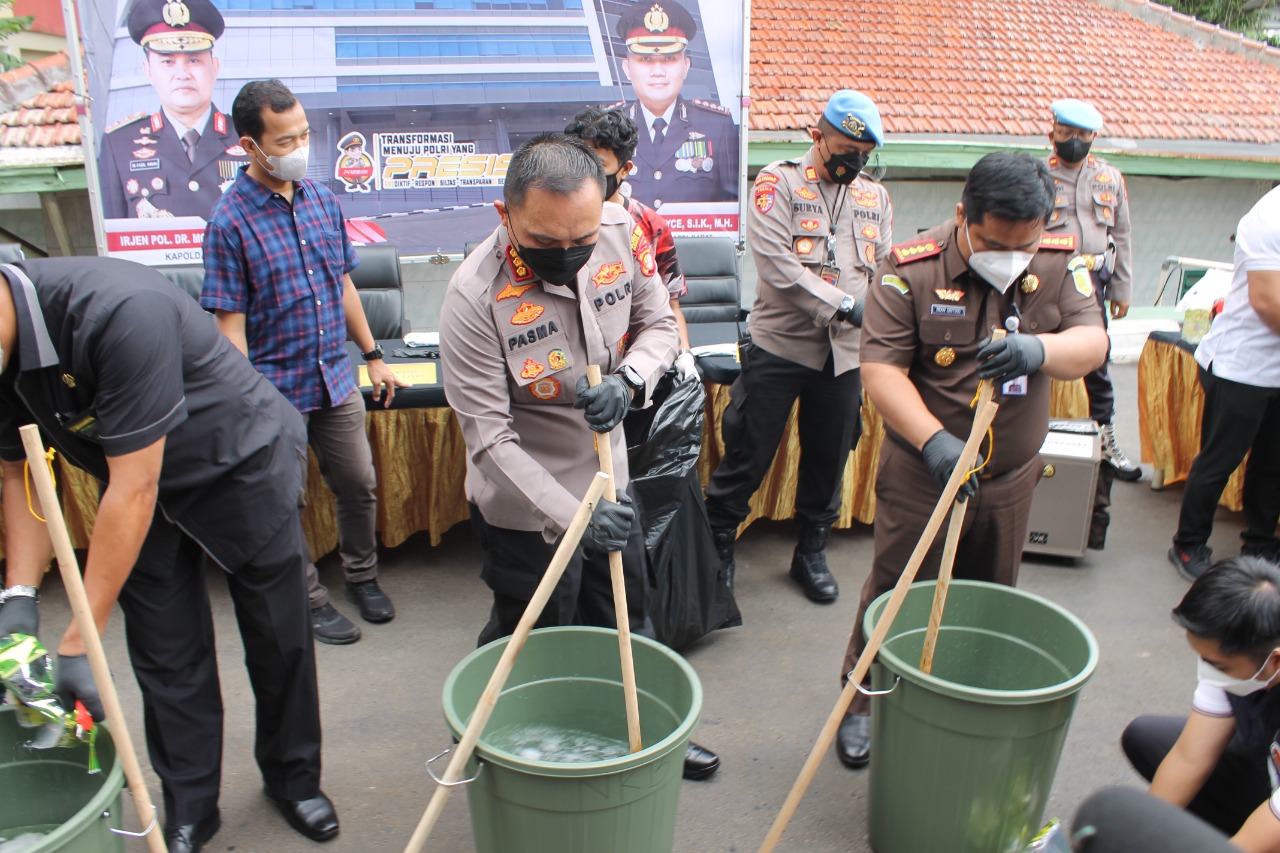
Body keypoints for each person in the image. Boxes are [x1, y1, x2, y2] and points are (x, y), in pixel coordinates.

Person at [0, 257, 338, 853]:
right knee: (165, 651)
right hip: (136, 490)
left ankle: (294, 780)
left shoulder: (118, 310)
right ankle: (191, 805)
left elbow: (136, 487)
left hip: (239, 463)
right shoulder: (5, 358)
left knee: (278, 637)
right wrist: (20, 597)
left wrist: (80, 637)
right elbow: (17, 470)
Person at [439, 132, 719, 780]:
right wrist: (574, 516)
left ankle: (646, 733)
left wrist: (630, 382)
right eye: (546, 246)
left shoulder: (621, 229)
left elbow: (657, 326)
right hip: (527, 501)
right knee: (534, 630)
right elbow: (490, 439)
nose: (568, 257)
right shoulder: (472, 296)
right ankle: (503, 740)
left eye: (581, 243)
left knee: (626, 614)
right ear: (505, 216)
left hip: (608, 472)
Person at [834, 151, 1109, 769]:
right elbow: (880, 370)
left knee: (991, 595)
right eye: (991, 242)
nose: (1009, 255)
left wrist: (1038, 349)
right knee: (897, 588)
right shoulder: (910, 270)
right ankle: (863, 701)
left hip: (1010, 476)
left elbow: (1092, 344)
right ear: (963, 215)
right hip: (924, 468)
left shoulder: (1061, 262)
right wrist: (933, 442)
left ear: (1043, 223)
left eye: (1024, 242)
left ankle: (965, 700)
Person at [201, 79, 404, 645]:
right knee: (281, 503)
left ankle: (362, 578)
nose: (299, 147)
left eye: (305, 134)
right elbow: (229, 326)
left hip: (333, 378)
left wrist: (373, 357)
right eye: (285, 139)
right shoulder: (229, 222)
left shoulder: (321, 200)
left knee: (358, 484)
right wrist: (246, 404)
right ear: (251, 146)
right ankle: (308, 597)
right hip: (273, 390)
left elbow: (343, 287)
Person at [703, 89, 892, 604]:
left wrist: (885, 316)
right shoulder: (777, 182)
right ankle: (717, 547)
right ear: (817, 136)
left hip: (845, 356)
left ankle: (810, 551)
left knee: (830, 456)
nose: (855, 161)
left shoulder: (875, 197)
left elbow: (886, 272)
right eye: (845, 149)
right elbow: (776, 265)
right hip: (781, 347)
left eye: (864, 154)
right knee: (749, 450)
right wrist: (845, 305)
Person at [1121, 556, 1280, 848]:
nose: (1207, 671)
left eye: (1217, 665)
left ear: (1276, 660)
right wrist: (1137, 836)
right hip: (1269, 766)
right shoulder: (1235, 657)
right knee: (1147, 737)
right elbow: (1189, 756)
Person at [1167, 186, 1280, 580]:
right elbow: (1267, 301)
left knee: (1273, 464)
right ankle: (1188, 543)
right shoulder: (1269, 216)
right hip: (1240, 366)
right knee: (1219, 462)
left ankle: (1262, 544)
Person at [1043, 98, 1140, 482]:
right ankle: (1013, 438)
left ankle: (1106, 438)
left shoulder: (1109, 177)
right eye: (1066, 133)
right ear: (1051, 133)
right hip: (1044, 278)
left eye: (1082, 135)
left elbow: (1123, 234)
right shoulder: (1035, 174)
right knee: (1032, 356)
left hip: (1092, 280)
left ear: (1094, 137)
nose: (1073, 141)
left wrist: (1123, 288)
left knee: (1097, 359)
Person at [564, 105, 697, 379]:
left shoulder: (650, 226)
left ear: (625, 169)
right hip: (571, 367)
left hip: (638, 369)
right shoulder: (555, 223)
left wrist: (684, 354)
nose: (585, 174)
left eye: (598, 166)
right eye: (578, 161)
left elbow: (670, 308)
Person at [98, 0, 250, 220]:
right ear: (148, 70)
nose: (182, 74)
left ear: (214, 66)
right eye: (168, 62)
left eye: (194, 60)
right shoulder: (119, 145)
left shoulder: (251, 135)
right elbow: (112, 235)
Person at [609, 0, 738, 210]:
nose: (658, 71)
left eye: (669, 58)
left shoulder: (717, 127)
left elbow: (732, 208)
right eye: (645, 59)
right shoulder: (607, 128)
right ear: (627, 68)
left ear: (686, 66)